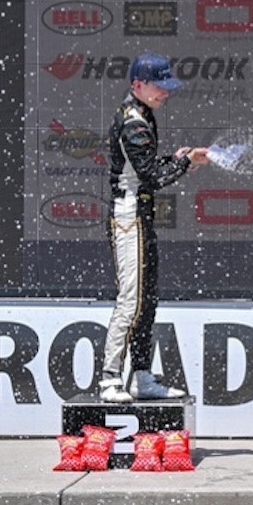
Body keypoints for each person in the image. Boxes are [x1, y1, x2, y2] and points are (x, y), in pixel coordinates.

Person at [100, 53, 209, 403]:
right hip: (128, 216)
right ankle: (109, 379)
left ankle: (142, 378)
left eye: (167, 86)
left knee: (147, 301)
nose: (166, 92)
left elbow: (146, 167)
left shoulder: (142, 113)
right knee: (131, 300)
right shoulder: (133, 122)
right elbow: (151, 177)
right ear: (138, 85)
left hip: (139, 215)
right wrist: (184, 163)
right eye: (159, 86)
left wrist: (178, 160)